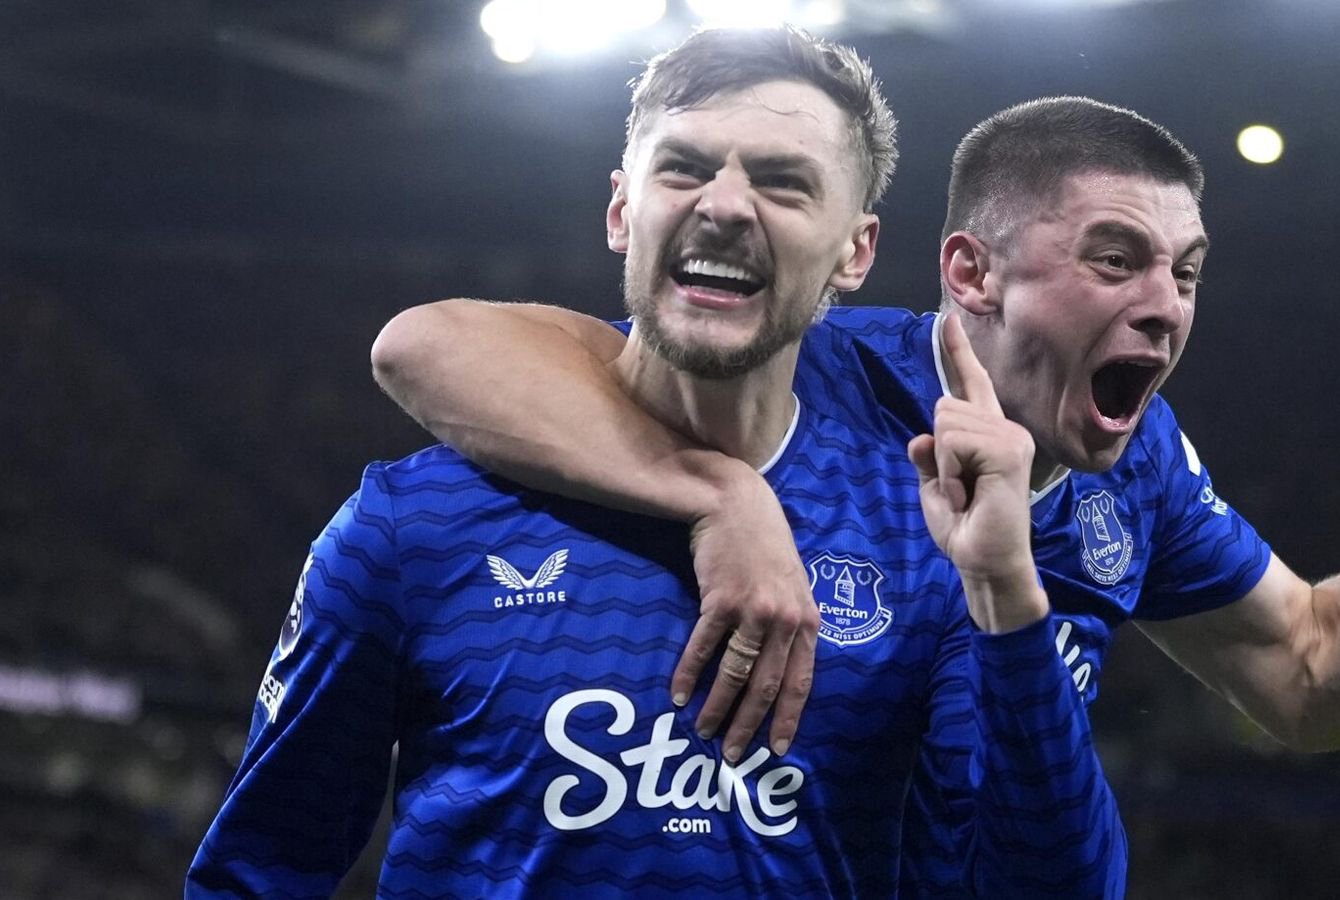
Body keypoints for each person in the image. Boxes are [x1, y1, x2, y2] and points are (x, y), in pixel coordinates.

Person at [190, 28, 1126, 898]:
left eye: (784, 182)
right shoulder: (416, 524)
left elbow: (1052, 883)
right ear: (621, 209)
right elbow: (258, 873)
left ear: (856, 253)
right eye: (682, 167)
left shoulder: (929, 534)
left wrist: (1006, 586)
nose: (722, 204)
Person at [371, 96, 1340, 756]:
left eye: (1185, 273)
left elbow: (1308, 676)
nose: (1164, 306)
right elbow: (431, 345)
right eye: (1114, 260)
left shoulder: (1136, 463)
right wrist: (717, 491)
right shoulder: (818, 367)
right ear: (971, 274)